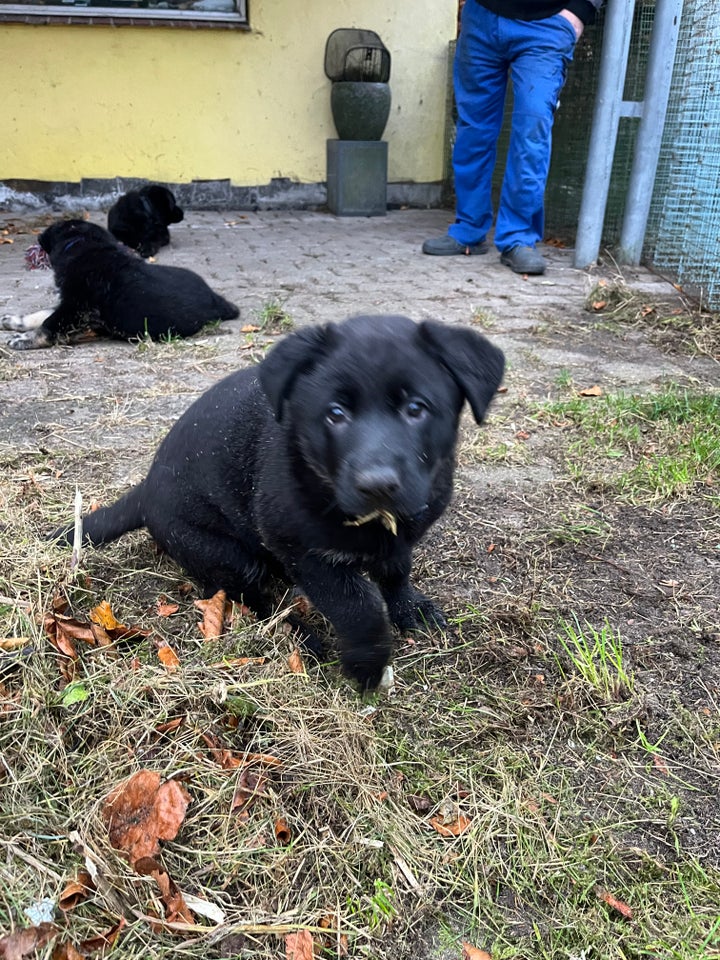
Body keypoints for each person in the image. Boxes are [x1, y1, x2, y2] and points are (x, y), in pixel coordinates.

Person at [423, 0, 603, 275]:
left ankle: (518, 236)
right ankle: (468, 228)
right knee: (473, 127)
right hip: (482, 17)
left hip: (549, 22)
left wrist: (580, 10)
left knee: (533, 126)